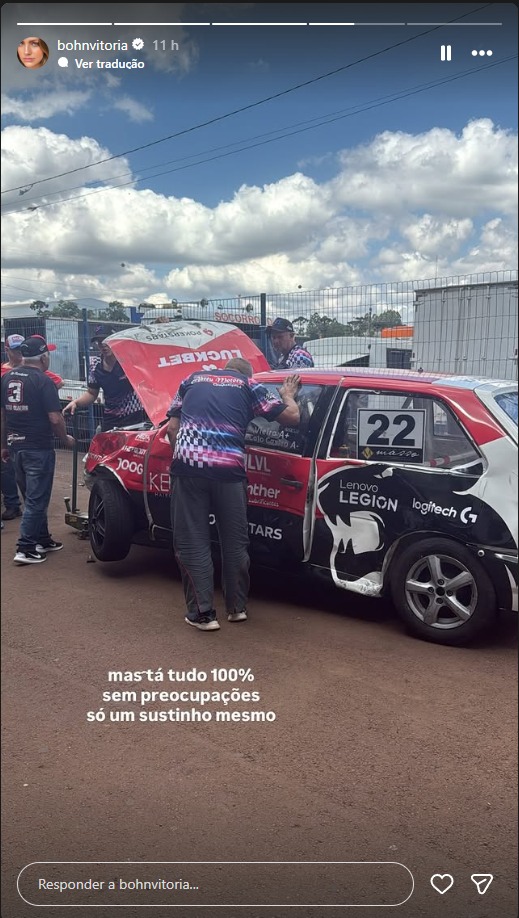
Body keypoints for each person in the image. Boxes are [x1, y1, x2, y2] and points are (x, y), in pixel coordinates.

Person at [166, 357, 301, 631]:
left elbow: (171, 429)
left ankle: (203, 615)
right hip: (229, 471)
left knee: (192, 542)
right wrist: (287, 395)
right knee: (235, 541)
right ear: (247, 374)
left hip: (189, 468)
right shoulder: (249, 385)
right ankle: (237, 608)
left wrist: (184, 457)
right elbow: (292, 417)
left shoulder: (191, 380)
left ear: (224, 369)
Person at [0, 336, 74, 565]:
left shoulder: (7, 378)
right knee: (36, 499)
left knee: (32, 495)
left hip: (15, 446)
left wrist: (3, 445)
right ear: (43, 357)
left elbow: (2, 416)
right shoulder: (43, 381)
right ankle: (26, 547)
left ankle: (42, 539)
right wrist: (66, 439)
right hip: (37, 447)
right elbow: (55, 418)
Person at [62, 325, 146, 432]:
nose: (103, 345)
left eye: (107, 341)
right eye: (99, 342)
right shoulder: (95, 364)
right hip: (110, 419)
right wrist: (75, 403)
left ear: (115, 341)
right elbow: (92, 393)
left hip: (134, 419)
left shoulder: (129, 361)